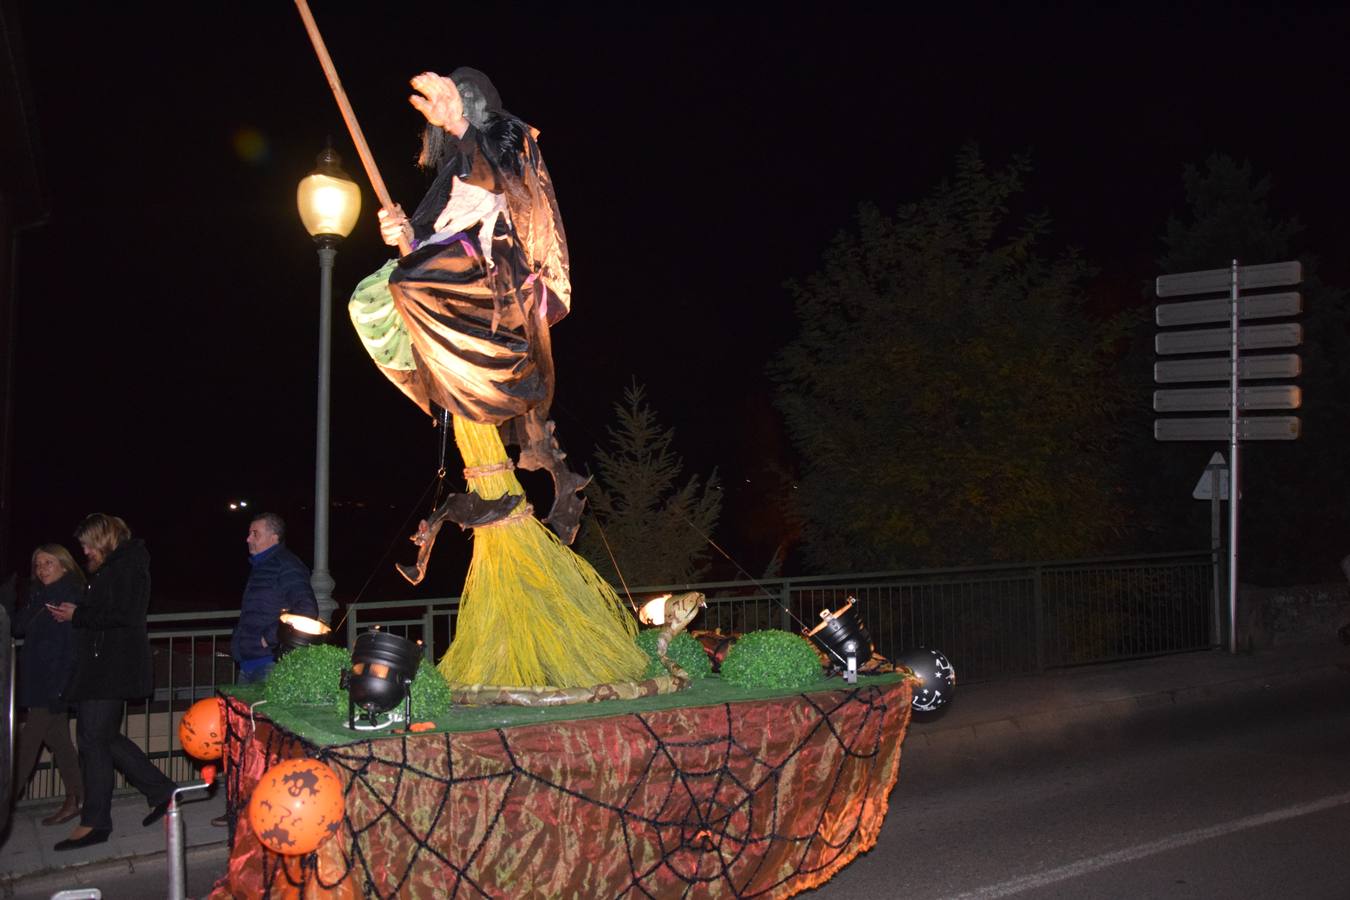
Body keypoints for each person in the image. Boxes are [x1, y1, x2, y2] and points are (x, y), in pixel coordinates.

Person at [48, 514, 176, 851]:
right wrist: (80, 612)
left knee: (92, 740)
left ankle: (95, 822)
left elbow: (124, 615)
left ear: (104, 540)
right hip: (104, 668)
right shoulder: (117, 566)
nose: (85, 550)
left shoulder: (127, 566)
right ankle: (162, 790)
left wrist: (79, 615)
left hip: (110, 670)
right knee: (102, 737)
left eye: (88, 543)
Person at [13, 544, 85, 825]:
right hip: (39, 681)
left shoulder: (69, 597)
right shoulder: (41, 596)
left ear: (65, 566)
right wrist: (34, 601)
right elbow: (18, 626)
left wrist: (60, 686)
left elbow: (68, 648)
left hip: (53, 684)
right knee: (60, 742)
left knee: (27, 745)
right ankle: (78, 797)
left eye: (48, 563)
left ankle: (5, 803)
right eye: (38, 564)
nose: (42, 569)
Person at [230, 512, 318, 684]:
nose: (248, 539)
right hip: (248, 662)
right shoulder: (262, 566)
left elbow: (307, 609)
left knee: (265, 712)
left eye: (255, 534)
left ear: (274, 537)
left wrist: (269, 638)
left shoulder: (286, 565)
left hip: (269, 665)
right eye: (249, 533)